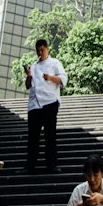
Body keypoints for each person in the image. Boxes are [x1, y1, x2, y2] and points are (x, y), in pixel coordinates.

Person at [25, 38, 67, 172]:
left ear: (47, 49)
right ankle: (30, 165)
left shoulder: (55, 63)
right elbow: (28, 86)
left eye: (42, 50)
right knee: (33, 136)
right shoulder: (34, 65)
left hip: (49, 101)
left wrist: (50, 78)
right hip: (34, 104)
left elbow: (63, 79)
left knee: (50, 134)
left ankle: (51, 164)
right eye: (38, 50)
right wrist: (29, 75)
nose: (40, 53)